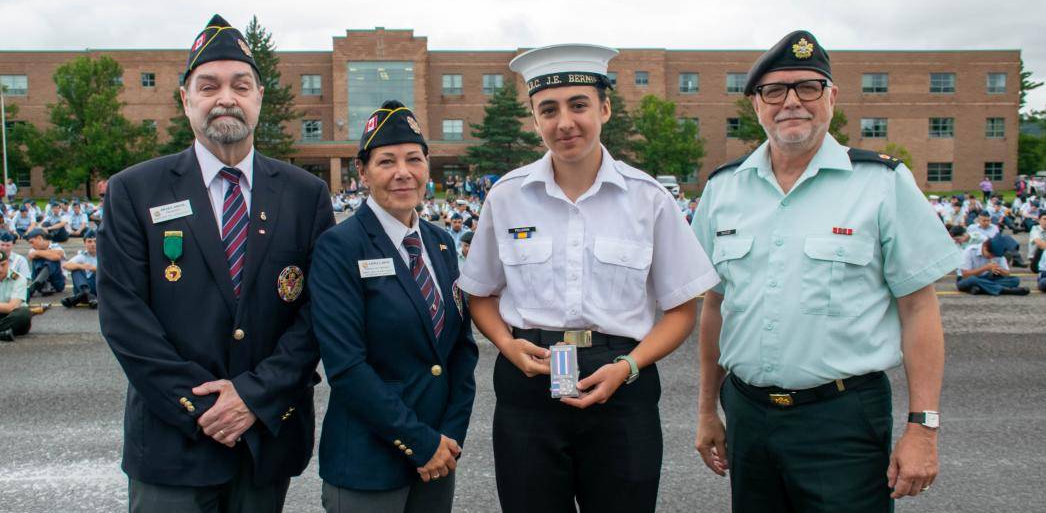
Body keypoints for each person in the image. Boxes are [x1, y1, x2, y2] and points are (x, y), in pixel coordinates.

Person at [692, 30, 959, 509]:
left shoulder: (881, 183)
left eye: (807, 87)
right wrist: (707, 409)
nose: (791, 102)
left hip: (842, 418)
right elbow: (715, 304)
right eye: (774, 91)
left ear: (831, 97)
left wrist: (924, 427)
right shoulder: (723, 190)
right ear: (757, 104)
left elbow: (919, 308)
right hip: (748, 415)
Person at [460, 44, 718, 513]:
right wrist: (505, 342)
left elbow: (681, 309)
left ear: (605, 108)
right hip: (529, 379)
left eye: (579, 105)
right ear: (534, 119)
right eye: (548, 110)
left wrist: (629, 367)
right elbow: (479, 294)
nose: (565, 123)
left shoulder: (649, 199)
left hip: (622, 382)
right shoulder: (506, 197)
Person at [98, 14, 335, 513]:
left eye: (240, 85)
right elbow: (124, 316)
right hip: (172, 443)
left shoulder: (305, 195)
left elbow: (318, 313)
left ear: (259, 98)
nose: (225, 97)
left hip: (265, 437)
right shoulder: (133, 191)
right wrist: (203, 407)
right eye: (208, 86)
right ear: (185, 100)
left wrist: (253, 397)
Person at [308, 101, 478, 513]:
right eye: (386, 161)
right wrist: (420, 443)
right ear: (362, 173)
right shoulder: (340, 246)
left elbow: (460, 349)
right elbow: (347, 367)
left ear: (426, 166)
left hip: (439, 459)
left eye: (413, 159)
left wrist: (449, 439)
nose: (403, 171)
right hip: (369, 463)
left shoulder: (439, 244)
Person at [61, 230, 99, 308]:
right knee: (76, 269)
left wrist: (95, 269)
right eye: (89, 241)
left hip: (98, 289)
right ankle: (86, 293)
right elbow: (65, 265)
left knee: (98, 272)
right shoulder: (82, 256)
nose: (93, 244)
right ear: (85, 243)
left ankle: (78, 297)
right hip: (83, 287)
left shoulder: (105, 255)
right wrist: (82, 266)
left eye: (95, 241)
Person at [25, 228, 67, 297]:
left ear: (39, 238)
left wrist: (38, 253)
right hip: (41, 284)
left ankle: (36, 284)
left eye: (32, 242)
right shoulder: (33, 250)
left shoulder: (55, 246)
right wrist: (48, 253)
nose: (31, 245)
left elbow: (57, 257)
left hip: (57, 283)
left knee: (53, 260)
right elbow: (31, 255)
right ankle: (43, 283)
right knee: (38, 259)